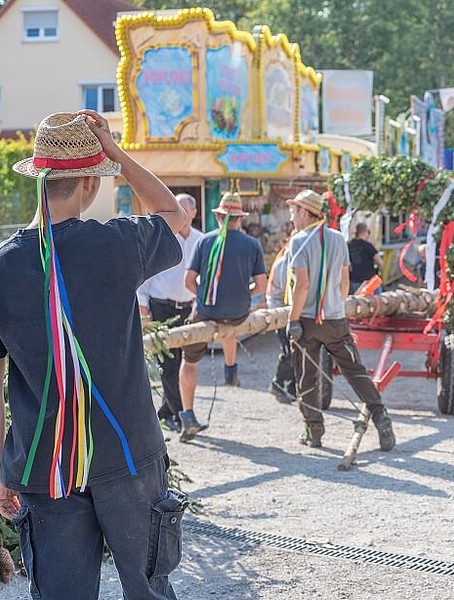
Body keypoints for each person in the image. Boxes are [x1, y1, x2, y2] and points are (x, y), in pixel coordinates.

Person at [0, 110, 187, 599]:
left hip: (46, 467)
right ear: (88, 182)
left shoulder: (1, 268)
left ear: (39, 178)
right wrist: (119, 155)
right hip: (128, 455)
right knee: (149, 590)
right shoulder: (118, 244)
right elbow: (175, 215)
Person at [284, 190, 395, 450]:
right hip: (335, 320)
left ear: (303, 211)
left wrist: (293, 319)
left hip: (308, 321)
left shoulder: (298, 241)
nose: (291, 216)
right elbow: (345, 281)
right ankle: (380, 415)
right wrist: (337, 307)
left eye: (293, 211)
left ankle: (314, 432)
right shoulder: (338, 238)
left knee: (307, 378)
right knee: (355, 371)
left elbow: (302, 285)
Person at [178, 192, 267, 442]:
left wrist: (206, 294)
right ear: (239, 218)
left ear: (218, 216)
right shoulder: (253, 245)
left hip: (206, 311)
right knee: (229, 325)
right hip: (238, 314)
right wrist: (242, 295)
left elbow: (188, 282)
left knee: (189, 362)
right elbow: (261, 287)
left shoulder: (204, 241)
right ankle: (230, 370)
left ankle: (188, 415)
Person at [137, 193, 202, 433]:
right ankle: (178, 413)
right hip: (162, 306)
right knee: (169, 363)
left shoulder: (201, 240)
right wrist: (144, 308)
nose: (182, 215)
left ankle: (169, 411)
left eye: (185, 210)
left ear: (193, 213)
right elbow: (145, 277)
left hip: (188, 307)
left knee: (185, 360)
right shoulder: (161, 241)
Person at [267, 236, 295, 403]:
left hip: (298, 315)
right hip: (284, 315)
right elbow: (273, 294)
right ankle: (277, 384)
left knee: (297, 352)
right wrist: (280, 316)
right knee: (288, 351)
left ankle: (293, 386)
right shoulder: (281, 265)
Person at [348, 222, 383, 294]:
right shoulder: (368, 246)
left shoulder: (349, 246)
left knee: (358, 303)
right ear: (365, 232)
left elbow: (348, 266)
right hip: (370, 281)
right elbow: (379, 262)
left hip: (355, 280)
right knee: (377, 302)